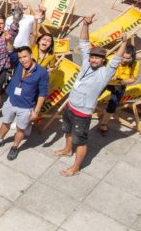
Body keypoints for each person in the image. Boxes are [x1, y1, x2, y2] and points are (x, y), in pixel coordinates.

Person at [52, 16, 129, 176]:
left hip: (82, 113)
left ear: (102, 61)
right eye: (92, 57)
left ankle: (76, 168)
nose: (94, 59)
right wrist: (85, 24)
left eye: (97, 58)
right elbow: (84, 42)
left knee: (80, 141)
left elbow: (117, 59)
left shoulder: (105, 73)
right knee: (67, 130)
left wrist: (123, 43)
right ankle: (67, 149)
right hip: (70, 106)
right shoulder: (87, 63)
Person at [0, 36, 49, 161]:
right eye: (20, 58)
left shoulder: (42, 72)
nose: (22, 60)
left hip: (26, 107)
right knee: (6, 123)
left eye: (25, 57)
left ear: (31, 55)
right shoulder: (19, 64)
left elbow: (42, 93)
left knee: (21, 129)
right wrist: (9, 41)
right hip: (11, 101)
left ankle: (15, 147)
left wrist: (36, 112)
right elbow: (10, 51)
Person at [98, 43, 138, 135]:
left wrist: (125, 81)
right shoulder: (112, 58)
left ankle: (104, 123)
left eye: (128, 58)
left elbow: (133, 79)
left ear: (132, 57)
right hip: (107, 81)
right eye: (122, 57)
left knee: (113, 103)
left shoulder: (135, 63)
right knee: (93, 94)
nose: (124, 60)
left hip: (120, 84)